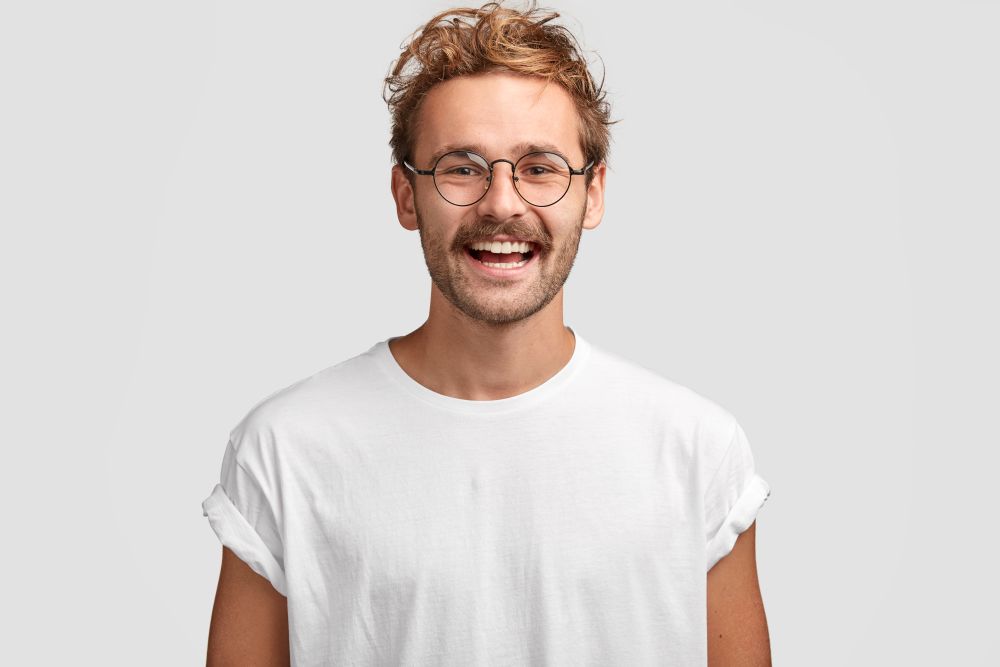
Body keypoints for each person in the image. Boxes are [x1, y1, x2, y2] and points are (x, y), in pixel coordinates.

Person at [201, 2, 773, 664]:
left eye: (539, 167)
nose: (502, 203)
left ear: (593, 194)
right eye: (462, 167)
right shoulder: (285, 450)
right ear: (406, 195)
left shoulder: (697, 451)